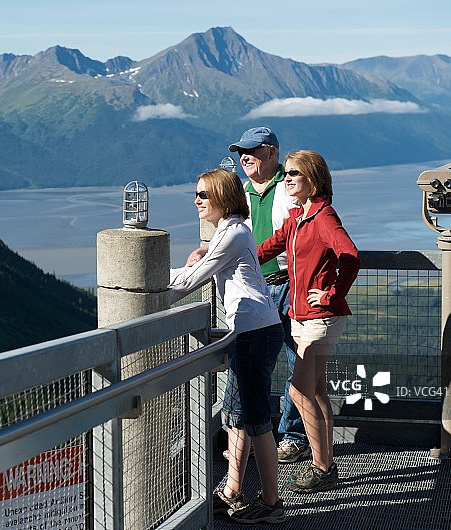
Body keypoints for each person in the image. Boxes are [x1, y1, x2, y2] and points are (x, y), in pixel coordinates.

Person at [169, 169, 285, 524]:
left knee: (256, 422)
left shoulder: (233, 233)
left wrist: (144, 282)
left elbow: (189, 281)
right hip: (251, 331)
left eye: (203, 194)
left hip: (254, 334)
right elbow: (203, 266)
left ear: (221, 196)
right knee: (237, 417)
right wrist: (202, 254)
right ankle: (232, 491)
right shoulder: (230, 232)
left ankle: (271, 504)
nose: (197, 200)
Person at [189, 126, 311, 465]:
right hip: (258, 285)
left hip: (288, 282)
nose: (244, 157)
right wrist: (207, 250)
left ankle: (293, 436)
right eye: (241, 151)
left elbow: (306, 234)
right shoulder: (240, 191)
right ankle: (243, 437)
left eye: (252, 150)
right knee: (248, 369)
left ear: (271, 152)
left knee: (295, 364)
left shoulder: (289, 187)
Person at [256, 150, 360, 494]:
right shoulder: (298, 218)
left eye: (293, 174)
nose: (286, 178)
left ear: (312, 179)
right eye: (285, 173)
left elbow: (351, 255)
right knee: (315, 390)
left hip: (321, 318)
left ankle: (321, 466)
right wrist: (218, 253)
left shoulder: (323, 217)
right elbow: (267, 248)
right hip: (300, 317)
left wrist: (330, 294)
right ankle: (325, 461)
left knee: (300, 390)